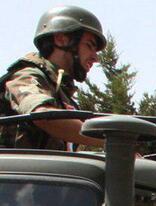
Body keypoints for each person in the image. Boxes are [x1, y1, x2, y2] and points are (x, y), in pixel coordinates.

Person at [0, 6, 106, 150]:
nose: (95, 58)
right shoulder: (26, 76)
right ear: (61, 40)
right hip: (17, 165)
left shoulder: (61, 93)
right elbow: (42, 115)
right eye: (89, 46)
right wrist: (111, 141)